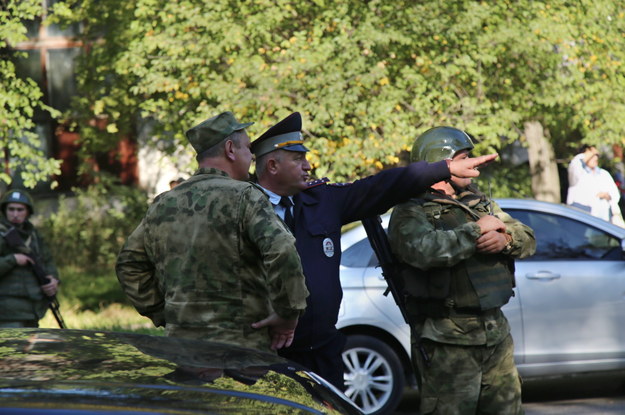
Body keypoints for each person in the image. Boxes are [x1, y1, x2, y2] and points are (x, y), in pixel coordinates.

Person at [251, 112, 498, 389]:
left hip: (322, 352)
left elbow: (381, 187)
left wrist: (443, 168)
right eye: (299, 159)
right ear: (272, 165)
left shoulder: (321, 200)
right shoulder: (241, 208)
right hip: (267, 353)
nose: (308, 166)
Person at [115, 111, 309, 353]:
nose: (251, 156)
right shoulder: (246, 196)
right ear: (230, 149)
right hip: (242, 349)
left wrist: (164, 312)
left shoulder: (164, 203)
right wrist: (288, 313)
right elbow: (282, 248)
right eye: (248, 148)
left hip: (182, 346)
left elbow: (128, 264)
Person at [387, 126, 536, 415]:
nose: (473, 166)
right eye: (463, 158)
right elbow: (423, 250)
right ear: (438, 162)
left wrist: (505, 239)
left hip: (496, 332)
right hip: (447, 339)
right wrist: (475, 232)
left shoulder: (480, 202)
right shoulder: (410, 210)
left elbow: (527, 237)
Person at [0, 189, 60, 328]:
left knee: (28, 348)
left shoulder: (33, 235)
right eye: (11, 209)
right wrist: (13, 259)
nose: (15, 214)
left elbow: (47, 260)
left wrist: (53, 279)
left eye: (20, 210)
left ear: (28, 211)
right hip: (6, 311)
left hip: (32, 308)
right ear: (4, 210)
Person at [567, 144, 625, 227]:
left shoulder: (604, 174)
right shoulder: (579, 173)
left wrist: (607, 196)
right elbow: (574, 164)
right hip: (584, 218)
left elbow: (615, 194)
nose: (595, 158)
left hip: (606, 219)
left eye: (596, 155)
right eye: (592, 155)